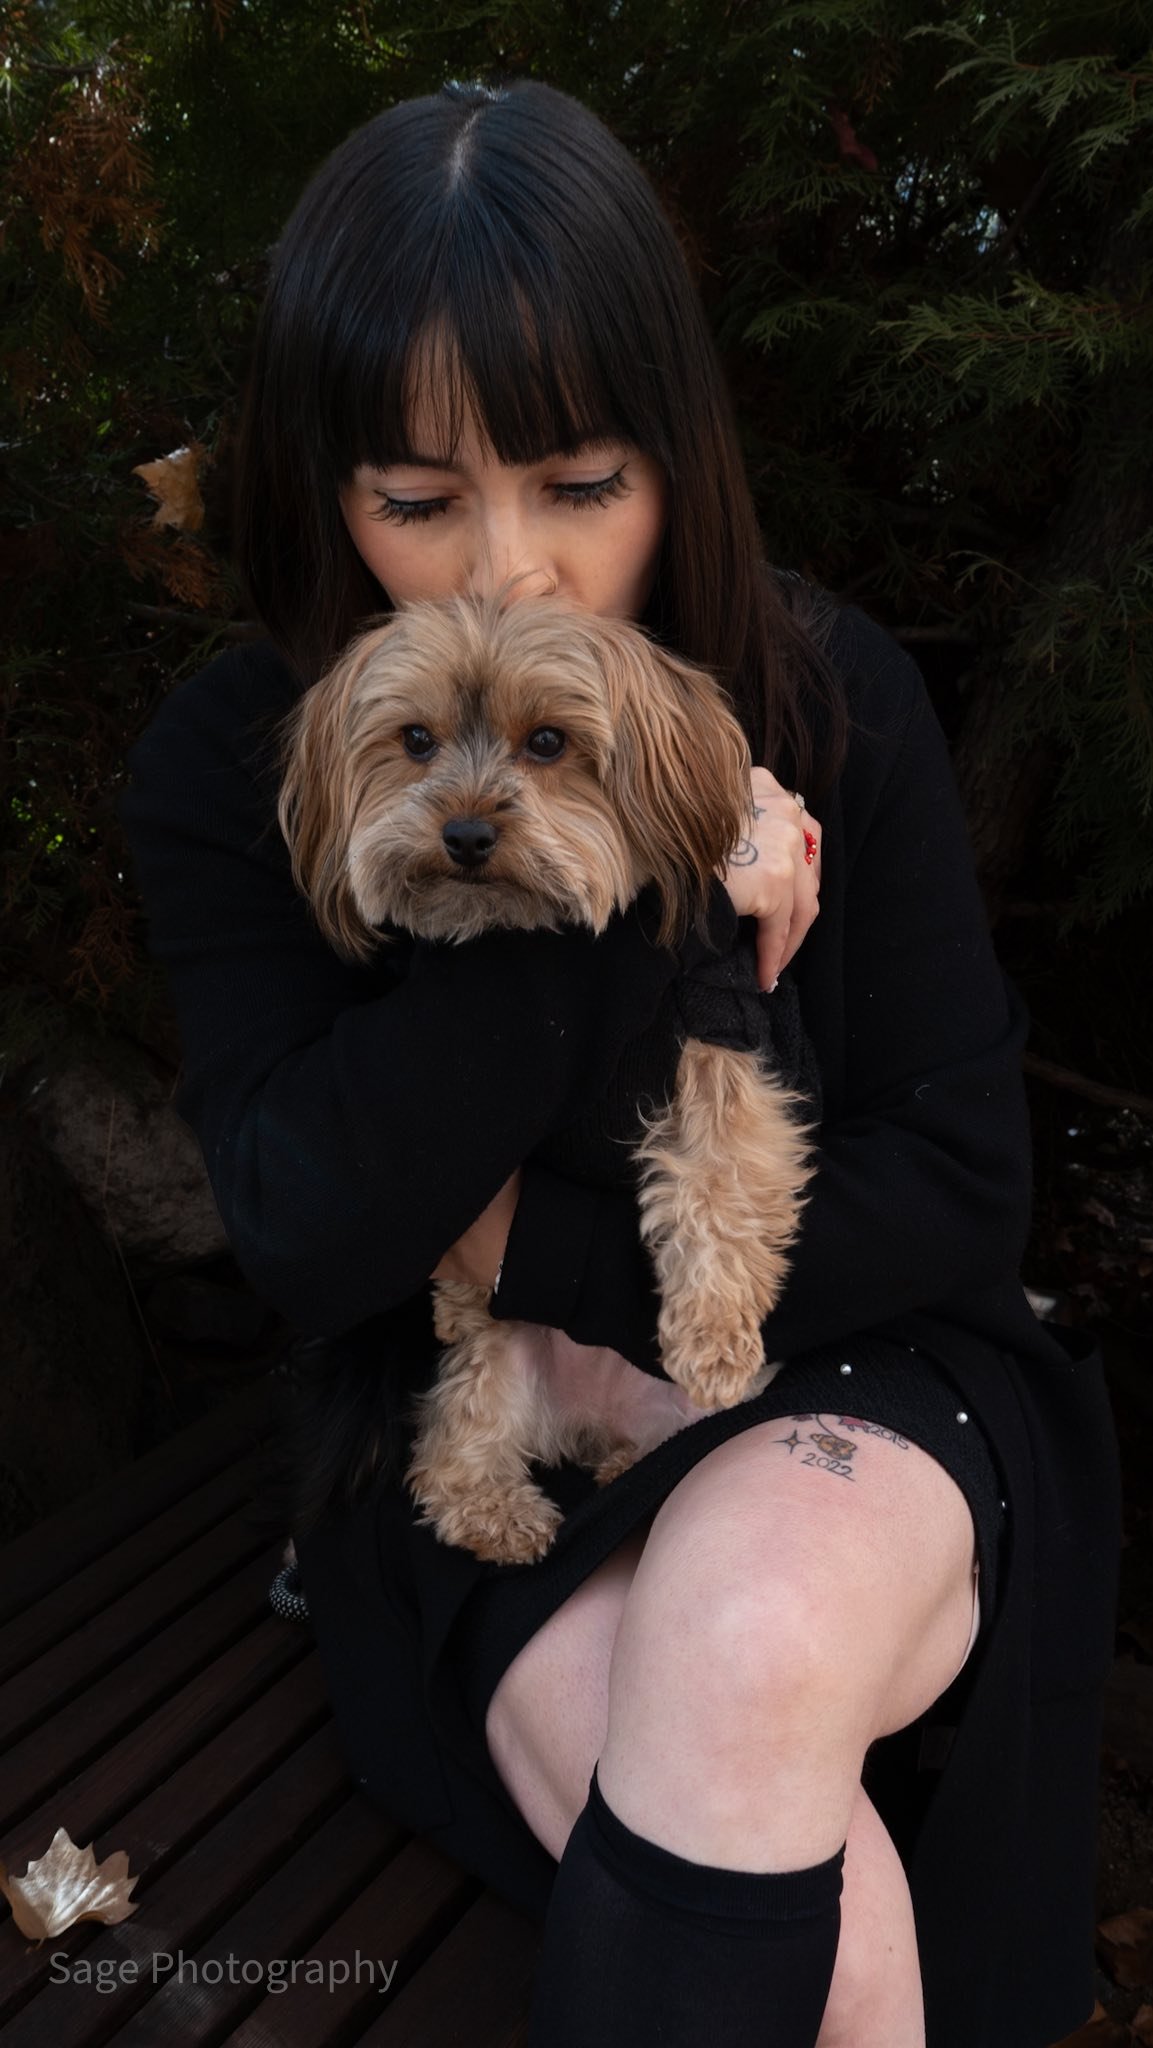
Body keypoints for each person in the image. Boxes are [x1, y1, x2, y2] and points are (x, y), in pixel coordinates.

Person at [117, 78, 1122, 2048]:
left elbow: (954, 1193)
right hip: (469, 1424)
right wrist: (581, 858)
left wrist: (536, 1257)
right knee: (825, 1957)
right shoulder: (240, 761)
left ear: (675, 453)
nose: (514, 567)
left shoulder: (832, 698)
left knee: (744, 1643)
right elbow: (312, 1230)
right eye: (420, 498)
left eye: (576, 483)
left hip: (859, 1352)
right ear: (322, 487)